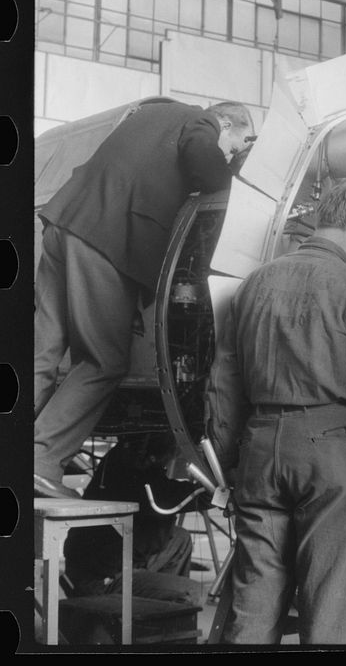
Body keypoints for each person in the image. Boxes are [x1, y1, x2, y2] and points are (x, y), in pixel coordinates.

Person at [205, 176, 346, 645]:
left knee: (255, 596)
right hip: (329, 451)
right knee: (332, 601)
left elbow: (223, 384)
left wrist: (231, 457)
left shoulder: (253, 285)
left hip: (258, 449)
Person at [34, 99, 254, 500]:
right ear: (226, 124)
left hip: (62, 226)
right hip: (101, 240)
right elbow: (204, 161)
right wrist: (237, 187)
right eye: (233, 147)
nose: (230, 156)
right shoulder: (198, 120)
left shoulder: (151, 115)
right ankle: (41, 460)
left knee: (43, 353)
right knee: (103, 361)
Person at [63, 432, 207, 601]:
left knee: (180, 539)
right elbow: (164, 496)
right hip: (102, 579)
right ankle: (154, 615)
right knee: (194, 592)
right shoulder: (135, 469)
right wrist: (215, 492)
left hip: (111, 561)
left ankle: (156, 609)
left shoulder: (123, 456)